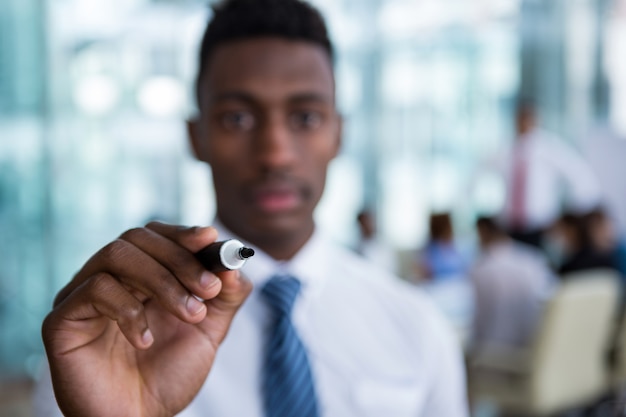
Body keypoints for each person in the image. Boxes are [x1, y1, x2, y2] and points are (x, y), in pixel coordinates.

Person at [34, 1, 469, 416]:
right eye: (237, 118)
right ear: (196, 136)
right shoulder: (117, 334)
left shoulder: (417, 327)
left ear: (339, 134)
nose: (275, 153)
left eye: (306, 118)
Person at [491, 100, 601, 248]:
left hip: (541, 226)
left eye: (527, 119)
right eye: (520, 119)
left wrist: (573, 214)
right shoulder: (506, 149)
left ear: (536, 120)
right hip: (511, 225)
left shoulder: (550, 148)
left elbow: (580, 175)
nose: (523, 123)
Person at [468, 216, 554, 354]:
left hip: (498, 358)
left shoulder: (482, 269)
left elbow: (479, 324)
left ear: (482, 232)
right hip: (537, 350)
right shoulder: (533, 258)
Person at [415, 212, 468, 282]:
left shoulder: (452, 246)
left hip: (458, 285)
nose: (451, 228)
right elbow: (423, 273)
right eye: (449, 225)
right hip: (439, 288)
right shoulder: (430, 250)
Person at [354, 208, 398, 273]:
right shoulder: (358, 246)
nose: (366, 226)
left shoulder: (383, 244)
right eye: (362, 224)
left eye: (368, 222)